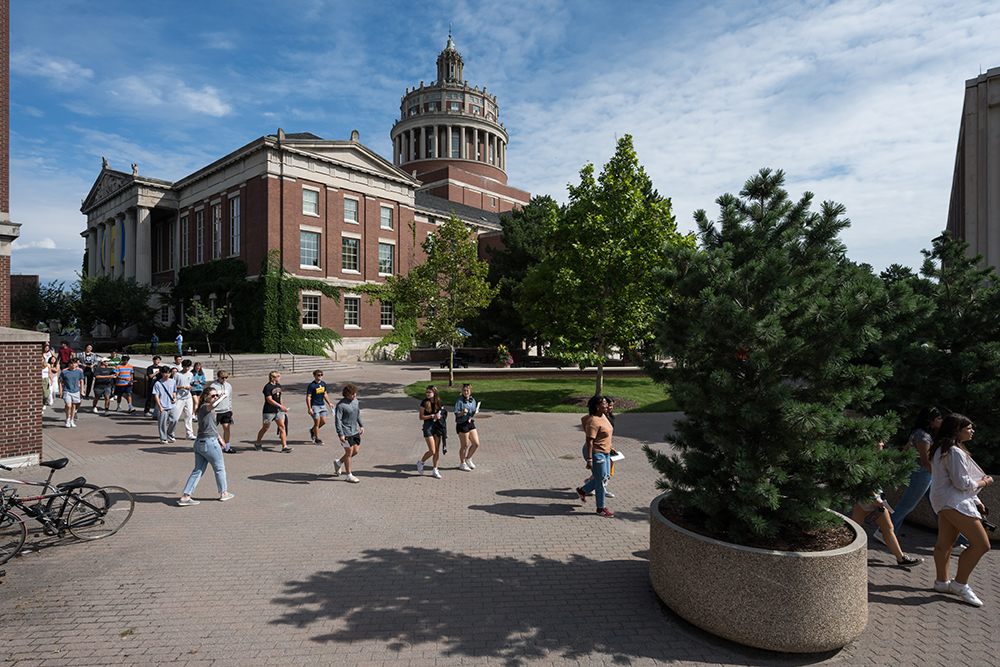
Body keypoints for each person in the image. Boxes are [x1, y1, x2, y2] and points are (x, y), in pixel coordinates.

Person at [929, 414, 993, 607]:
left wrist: (975, 499)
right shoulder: (954, 452)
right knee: (982, 545)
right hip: (954, 502)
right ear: (957, 430)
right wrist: (985, 482)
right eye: (969, 428)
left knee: (945, 542)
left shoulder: (942, 449)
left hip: (945, 501)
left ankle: (942, 582)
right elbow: (962, 483)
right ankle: (960, 584)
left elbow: (953, 481)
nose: (972, 431)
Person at [851, 441, 924, 567]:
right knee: (887, 529)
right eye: (879, 442)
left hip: (868, 498)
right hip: (872, 499)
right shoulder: (867, 460)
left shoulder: (871, 458)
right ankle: (901, 559)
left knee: (854, 527)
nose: (882, 444)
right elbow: (866, 481)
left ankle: (901, 558)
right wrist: (874, 497)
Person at [178, 386, 234, 506]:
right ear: (205, 397)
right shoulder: (205, 407)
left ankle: (186, 496)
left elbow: (210, 427)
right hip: (208, 443)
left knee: (198, 470)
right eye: (212, 396)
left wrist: (220, 439)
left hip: (203, 442)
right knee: (219, 468)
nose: (215, 398)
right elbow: (213, 405)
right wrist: (222, 397)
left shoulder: (209, 410)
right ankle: (224, 493)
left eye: (216, 395)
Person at [576, 395, 615, 517]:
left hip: (606, 452)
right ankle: (600, 508)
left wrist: (610, 446)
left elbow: (606, 435)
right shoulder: (593, 421)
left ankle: (582, 490)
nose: (607, 406)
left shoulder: (603, 416)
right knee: (601, 481)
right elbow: (589, 441)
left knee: (606, 476)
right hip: (596, 453)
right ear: (597, 406)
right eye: (604, 404)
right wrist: (589, 460)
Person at [334, 384, 364, 483]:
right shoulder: (341, 405)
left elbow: (358, 413)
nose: (354, 395)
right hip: (346, 432)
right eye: (352, 394)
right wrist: (340, 434)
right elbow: (338, 421)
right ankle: (348, 475)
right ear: (346, 394)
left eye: (355, 393)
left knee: (355, 451)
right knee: (349, 452)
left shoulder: (355, 401)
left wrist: (361, 425)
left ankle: (338, 462)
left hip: (355, 431)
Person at [255, 371, 290, 452]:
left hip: (279, 411)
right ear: (274, 377)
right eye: (278, 376)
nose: (280, 378)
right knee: (265, 428)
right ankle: (257, 443)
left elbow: (279, 397)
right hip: (269, 410)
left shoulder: (278, 385)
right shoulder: (267, 387)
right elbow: (269, 399)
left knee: (282, 427)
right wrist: (280, 406)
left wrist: (282, 407)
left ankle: (284, 446)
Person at [417, 385, 444, 478]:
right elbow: (421, 417)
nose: (427, 394)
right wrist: (432, 416)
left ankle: (435, 469)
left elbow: (443, 413)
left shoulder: (439, 402)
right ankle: (421, 462)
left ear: (434, 393)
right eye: (427, 392)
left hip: (437, 427)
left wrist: (440, 416)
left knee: (436, 450)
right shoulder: (424, 403)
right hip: (428, 427)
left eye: (429, 392)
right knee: (432, 450)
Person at [455, 383, 481, 472]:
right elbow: (456, 414)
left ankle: (468, 458)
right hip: (462, 424)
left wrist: (475, 411)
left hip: (471, 422)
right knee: (464, 445)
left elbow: (472, 410)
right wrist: (462, 413)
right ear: (462, 391)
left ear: (470, 392)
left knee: (476, 443)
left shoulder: (472, 400)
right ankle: (462, 463)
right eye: (464, 390)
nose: (466, 392)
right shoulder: (459, 401)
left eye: (467, 391)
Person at [306, 370, 333, 444]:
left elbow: (325, 394)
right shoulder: (311, 385)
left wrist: (329, 403)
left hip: (322, 405)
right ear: (314, 376)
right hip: (315, 406)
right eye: (318, 375)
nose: (320, 376)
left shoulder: (323, 383)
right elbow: (308, 397)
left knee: (323, 422)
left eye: (321, 375)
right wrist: (309, 408)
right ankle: (317, 439)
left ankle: (312, 430)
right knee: (317, 422)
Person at [210, 370, 234, 452]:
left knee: (227, 429)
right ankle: (216, 445)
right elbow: (210, 400)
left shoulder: (228, 386)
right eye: (222, 378)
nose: (224, 379)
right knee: (214, 430)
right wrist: (212, 410)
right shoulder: (213, 386)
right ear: (218, 377)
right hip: (216, 411)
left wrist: (230, 408)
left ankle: (227, 447)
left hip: (226, 410)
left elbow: (230, 398)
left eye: (226, 378)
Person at [152, 367, 178, 443]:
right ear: (162, 373)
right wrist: (159, 406)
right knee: (162, 423)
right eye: (166, 373)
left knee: (175, 420)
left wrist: (175, 398)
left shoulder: (172, 381)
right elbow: (156, 395)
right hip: (163, 405)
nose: (167, 375)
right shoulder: (158, 383)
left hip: (172, 405)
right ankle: (163, 438)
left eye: (169, 373)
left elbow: (174, 391)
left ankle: (169, 433)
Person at [60, 357, 85, 428]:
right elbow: (60, 381)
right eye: (71, 363)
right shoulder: (64, 372)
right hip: (67, 390)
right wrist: (60, 391)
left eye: (74, 363)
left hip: (76, 390)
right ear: (69, 364)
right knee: (68, 405)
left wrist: (82, 390)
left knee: (74, 406)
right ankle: (67, 419)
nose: (73, 364)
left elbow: (82, 380)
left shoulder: (79, 371)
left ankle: (72, 420)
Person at [173, 359, 195, 438]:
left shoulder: (190, 374)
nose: (187, 369)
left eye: (188, 367)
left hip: (188, 396)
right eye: (185, 367)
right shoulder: (177, 375)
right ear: (182, 366)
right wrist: (183, 387)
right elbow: (173, 386)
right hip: (179, 397)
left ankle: (189, 433)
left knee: (189, 415)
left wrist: (190, 388)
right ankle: (171, 431)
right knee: (176, 416)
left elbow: (189, 383)